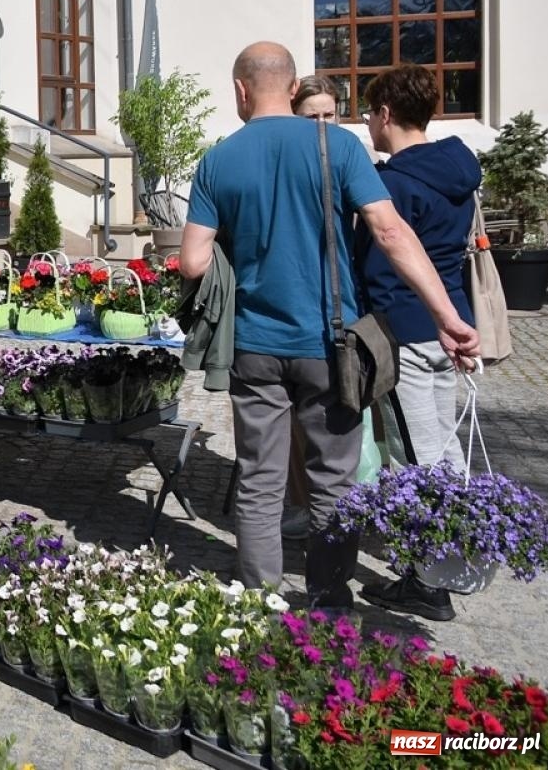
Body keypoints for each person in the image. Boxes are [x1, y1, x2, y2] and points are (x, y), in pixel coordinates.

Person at [180, 43, 478, 608]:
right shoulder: (337, 145)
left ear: (241, 91)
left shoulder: (218, 159)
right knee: (333, 480)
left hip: (253, 347)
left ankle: (260, 597)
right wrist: (448, 317)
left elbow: (192, 262)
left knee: (260, 478)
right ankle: (330, 598)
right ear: (293, 90)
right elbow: (391, 235)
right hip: (330, 343)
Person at [355, 65, 481, 621]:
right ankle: (454, 554)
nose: (367, 123)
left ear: (386, 114)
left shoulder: (396, 183)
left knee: (413, 455)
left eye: (369, 113)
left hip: (405, 331)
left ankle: (427, 582)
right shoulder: (455, 168)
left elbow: (385, 264)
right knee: (444, 448)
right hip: (445, 322)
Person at [277, 75, 347, 540]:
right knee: (296, 438)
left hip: (340, 316)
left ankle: (336, 532)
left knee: (336, 439)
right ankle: (301, 509)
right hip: (289, 319)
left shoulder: (347, 157)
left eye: (329, 115)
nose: (321, 125)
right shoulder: (286, 161)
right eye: (311, 116)